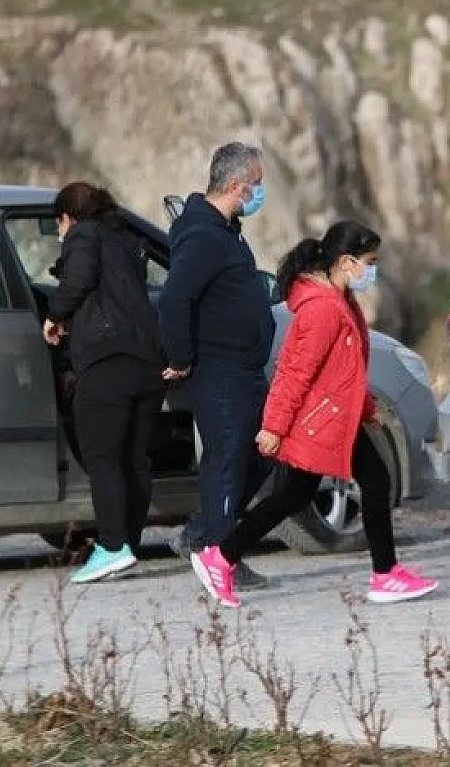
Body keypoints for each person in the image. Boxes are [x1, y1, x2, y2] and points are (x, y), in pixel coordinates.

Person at [190, 220, 437, 609]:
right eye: (368, 262)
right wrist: (274, 427)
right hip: (319, 421)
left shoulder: (340, 302)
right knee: (360, 485)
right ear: (345, 262)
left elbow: (345, 370)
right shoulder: (323, 310)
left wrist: (367, 408)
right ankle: (221, 557)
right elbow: (294, 371)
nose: (371, 271)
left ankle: (221, 557)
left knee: (303, 493)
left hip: (337, 416)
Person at [158, 142, 278, 591]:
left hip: (246, 367)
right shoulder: (203, 235)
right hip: (219, 369)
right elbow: (175, 298)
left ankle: (205, 535)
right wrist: (180, 357)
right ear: (235, 185)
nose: (261, 193)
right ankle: (218, 553)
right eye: (258, 184)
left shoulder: (227, 231)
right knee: (226, 458)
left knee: (264, 453)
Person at [43, 182, 167, 584]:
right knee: (134, 459)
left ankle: (112, 547)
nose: (61, 232)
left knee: (103, 457)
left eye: (59, 224)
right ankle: (127, 545)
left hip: (107, 362)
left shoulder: (84, 234)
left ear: (68, 216)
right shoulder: (125, 239)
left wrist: (55, 315)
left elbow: (78, 280)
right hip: (147, 361)